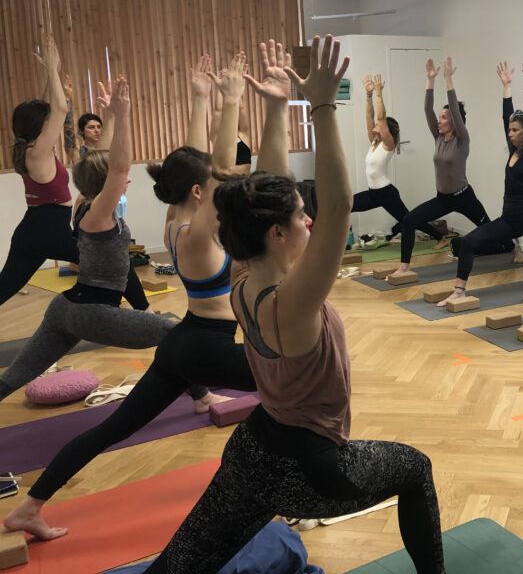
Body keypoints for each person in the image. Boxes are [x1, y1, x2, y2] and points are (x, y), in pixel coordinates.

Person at [141, 35, 445, 574]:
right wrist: (322, 107)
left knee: (178, 566)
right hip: (310, 471)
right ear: (278, 235)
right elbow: (343, 203)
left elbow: (268, 188)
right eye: (302, 216)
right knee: (416, 469)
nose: (310, 222)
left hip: (252, 453)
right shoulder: (294, 304)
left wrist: (278, 106)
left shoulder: (240, 277)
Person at [1, 53, 272, 541]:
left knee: (112, 429)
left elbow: (199, 163)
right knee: (287, 389)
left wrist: (199, 98)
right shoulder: (198, 235)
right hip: (204, 344)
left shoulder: (175, 222)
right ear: (198, 189)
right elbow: (224, 172)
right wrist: (229, 100)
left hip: (183, 344)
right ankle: (269, 488)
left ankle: (30, 507)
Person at [0, 76, 212, 407]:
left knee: (14, 376)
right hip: (93, 313)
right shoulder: (96, 213)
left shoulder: (86, 203)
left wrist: (110, 117)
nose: (127, 178)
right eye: (120, 176)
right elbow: (116, 167)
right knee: (175, 335)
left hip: (65, 310)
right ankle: (203, 397)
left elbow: (101, 159)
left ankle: (200, 394)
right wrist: (124, 114)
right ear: (109, 182)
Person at [0, 39, 148, 312]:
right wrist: (53, 69)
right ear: (39, 126)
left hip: (36, 230)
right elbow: (59, 109)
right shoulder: (37, 152)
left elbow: (48, 107)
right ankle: (145, 311)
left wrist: (51, 76)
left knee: (3, 288)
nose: (52, 124)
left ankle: (139, 309)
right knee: (114, 258)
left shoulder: (29, 147)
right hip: (45, 230)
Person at [433, 61, 523, 307]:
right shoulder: (513, 150)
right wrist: (506, 87)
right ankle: (459, 291)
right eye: (510, 130)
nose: (510, 133)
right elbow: (506, 116)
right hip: (509, 219)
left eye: (515, 130)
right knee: (469, 242)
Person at [390, 57, 512, 282]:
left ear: (454, 122)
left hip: (464, 197)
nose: (440, 120)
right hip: (443, 199)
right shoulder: (438, 137)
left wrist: (448, 80)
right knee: (408, 220)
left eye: (444, 117)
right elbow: (427, 109)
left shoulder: (462, 139)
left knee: (490, 229)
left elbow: (455, 110)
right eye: (440, 117)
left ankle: (512, 247)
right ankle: (405, 266)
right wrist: (430, 81)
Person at [352, 73, 444, 246]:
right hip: (373, 193)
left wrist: (379, 94)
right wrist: (368, 95)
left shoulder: (388, 144)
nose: (376, 125)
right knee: (346, 205)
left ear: (387, 130)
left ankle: (440, 237)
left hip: (386, 194)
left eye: (381, 124)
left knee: (410, 219)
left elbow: (380, 118)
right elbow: (369, 117)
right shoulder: (374, 141)